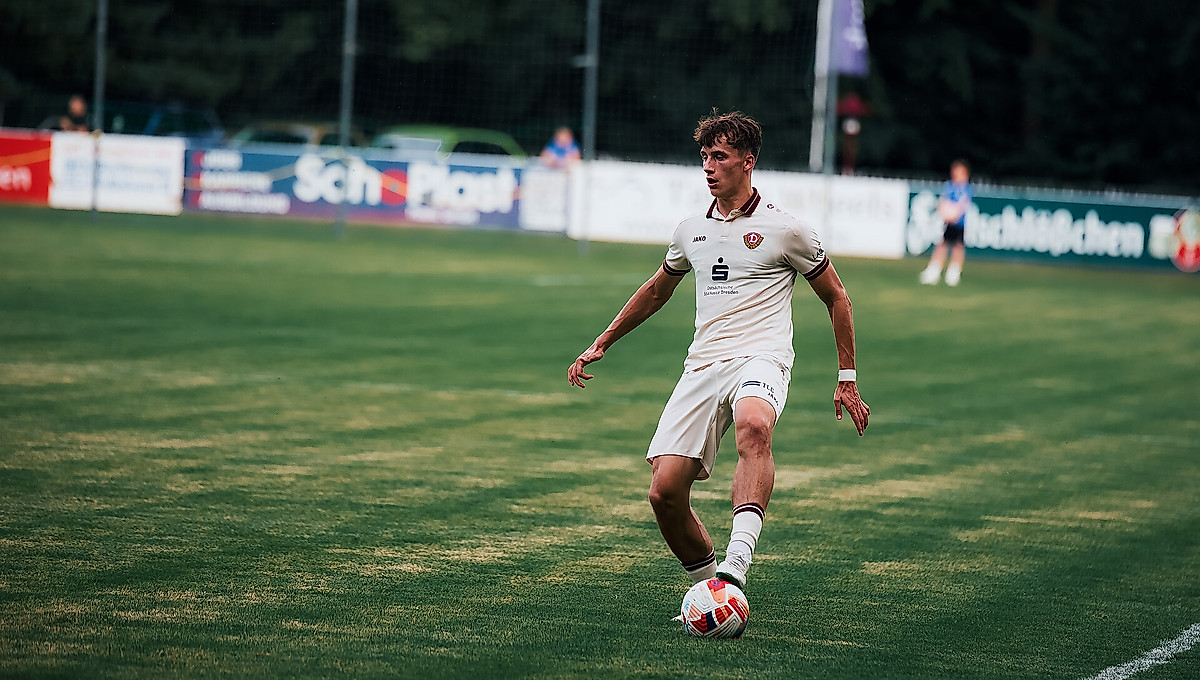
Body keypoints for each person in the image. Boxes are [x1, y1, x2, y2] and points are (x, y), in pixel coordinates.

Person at [567, 111, 870, 593]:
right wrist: (602, 341)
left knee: (754, 424)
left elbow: (837, 296)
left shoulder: (786, 229)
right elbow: (656, 290)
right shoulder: (690, 230)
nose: (708, 166)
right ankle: (714, 593)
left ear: (747, 162)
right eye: (704, 156)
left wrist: (847, 377)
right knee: (664, 492)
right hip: (703, 364)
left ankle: (737, 562)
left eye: (720, 156)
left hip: (762, 357)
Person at [919, 159, 973, 286]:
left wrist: (953, 214)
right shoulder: (950, 186)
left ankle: (954, 272)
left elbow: (962, 205)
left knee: (958, 246)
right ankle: (934, 270)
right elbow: (943, 201)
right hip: (947, 222)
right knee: (942, 245)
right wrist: (944, 212)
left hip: (958, 223)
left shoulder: (966, 189)